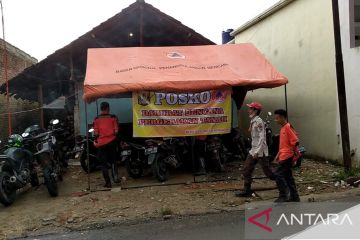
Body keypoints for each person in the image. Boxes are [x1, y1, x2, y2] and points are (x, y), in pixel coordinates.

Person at [235, 102, 275, 197]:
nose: (249, 110)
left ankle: (282, 182)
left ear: (255, 110)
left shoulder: (259, 121)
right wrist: (254, 150)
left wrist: (257, 151)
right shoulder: (253, 120)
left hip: (260, 151)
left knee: (268, 172)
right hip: (253, 150)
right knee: (246, 169)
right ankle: (247, 190)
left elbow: (262, 138)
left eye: (250, 109)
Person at [272, 109, 300, 202]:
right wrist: (278, 156)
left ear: (282, 117)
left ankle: (284, 195)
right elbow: (282, 145)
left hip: (287, 156)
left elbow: (295, 141)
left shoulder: (288, 127)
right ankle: (294, 196)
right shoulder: (283, 128)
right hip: (283, 155)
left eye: (277, 118)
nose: (275, 120)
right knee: (288, 176)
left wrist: (293, 155)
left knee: (278, 174)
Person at [93, 102, 120, 188]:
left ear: (101, 109)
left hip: (101, 144)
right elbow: (116, 131)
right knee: (113, 161)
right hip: (112, 142)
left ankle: (108, 183)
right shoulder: (113, 118)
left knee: (103, 164)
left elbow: (96, 133)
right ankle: (115, 177)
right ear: (108, 108)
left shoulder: (96, 119)